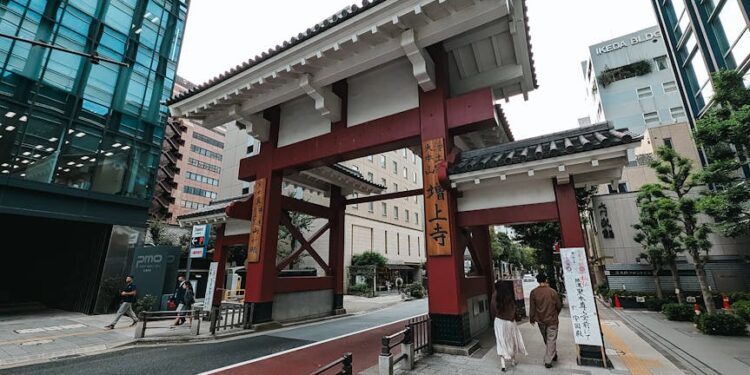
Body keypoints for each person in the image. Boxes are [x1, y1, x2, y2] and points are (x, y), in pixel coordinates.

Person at [491, 279, 527, 372]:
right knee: (512, 340)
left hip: (499, 322)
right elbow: (514, 308)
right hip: (510, 321)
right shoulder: (509, 296)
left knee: (501, 341)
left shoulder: (495, 295)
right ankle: (513, 361)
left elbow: (493, 309)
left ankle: (503, 364)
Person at [529, 273, 563, 368]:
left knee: (546, 338)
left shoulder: (533, 292)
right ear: (546, 280)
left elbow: (532, 308)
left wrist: (532, 318)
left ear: (537, 281)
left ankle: (549, 358)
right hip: (552, 320)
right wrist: (556, 314)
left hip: (540, 320)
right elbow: (559, 305)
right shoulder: (552, 291)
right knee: (551, 339)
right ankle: (551, 356)